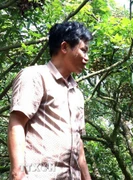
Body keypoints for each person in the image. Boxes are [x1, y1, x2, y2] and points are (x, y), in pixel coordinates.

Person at [7, 21, 93, 180]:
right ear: (64, 47)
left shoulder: (77, 93)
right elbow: (17, 123)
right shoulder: (35, 76)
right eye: (83, 50)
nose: (86, 58)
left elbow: (77, 142)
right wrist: (17, 174)